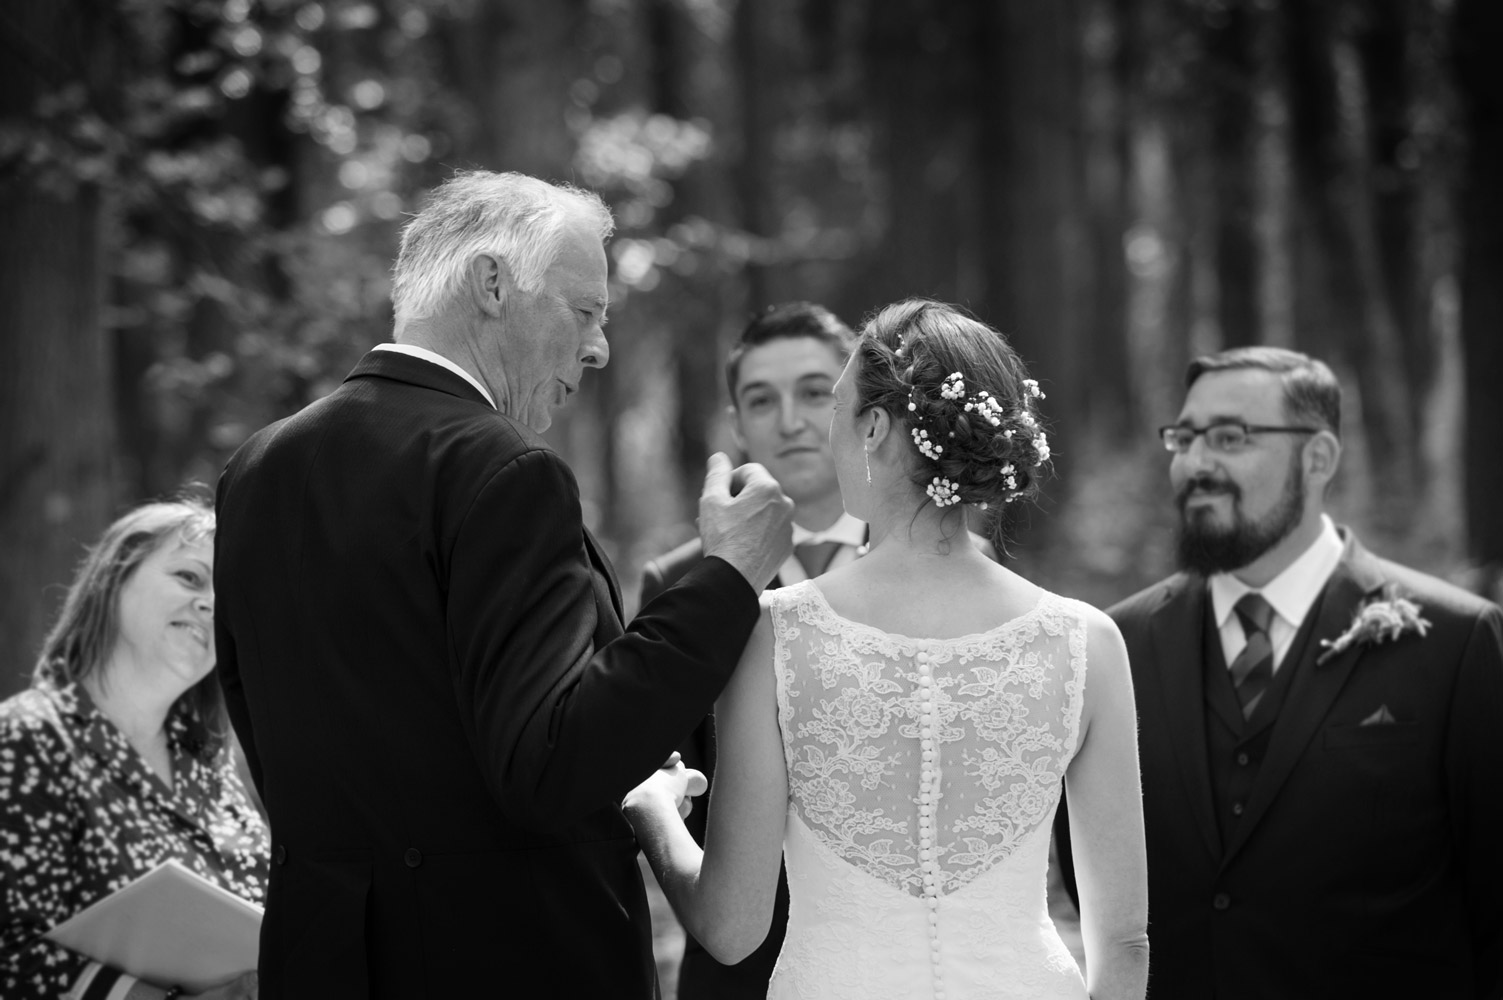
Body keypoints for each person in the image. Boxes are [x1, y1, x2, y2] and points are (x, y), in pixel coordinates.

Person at [212, 170, 793, 998]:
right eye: (584, 311)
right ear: (492, 284)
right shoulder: (502, 470)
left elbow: (272, 749)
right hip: (512, 960)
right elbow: (549, 762)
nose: (596, 347)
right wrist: (727, 577)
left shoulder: (258, 467)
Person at [626, 299, 1149, 999]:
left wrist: (653, 810)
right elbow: (1122, 941)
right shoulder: (1086, 641)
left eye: (834, 407)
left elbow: (731, 926)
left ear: (873, 427)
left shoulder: (772, 633)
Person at [1090, 346, 1503, 998]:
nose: (1195, 464)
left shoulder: (1455, 643)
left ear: (1318, 459)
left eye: (1228, 438)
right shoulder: (1115, 644)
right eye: (1183, 438)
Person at [0, 495, 267, 1000]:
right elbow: (10, 955)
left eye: (223, 595)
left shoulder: (215, 772)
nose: (210, 603)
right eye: (189, 578)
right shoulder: (29, 738)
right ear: (112, 579)